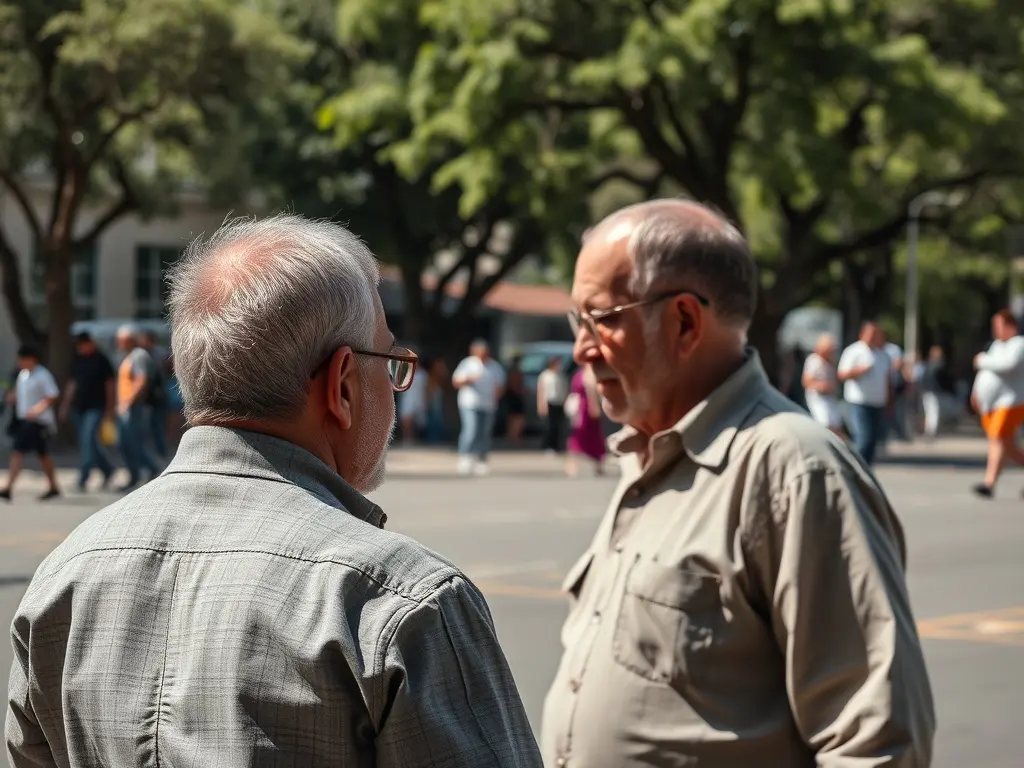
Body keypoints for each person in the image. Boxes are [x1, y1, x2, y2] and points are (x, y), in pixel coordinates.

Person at [5, 214, 540, 767]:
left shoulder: (65, 573)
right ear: (342, 386)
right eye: (389, 364)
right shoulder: (397, 600)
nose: (396, 387)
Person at [542, 200, 934, 767]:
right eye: (577, 322)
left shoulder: (794, 469)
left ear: (683, 321)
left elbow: (875, 743)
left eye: (602, 318)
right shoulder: (649, 456)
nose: (582, 347)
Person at [970, 309, 1024, 498]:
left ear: (1011, 326)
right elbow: (986, 374)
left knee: (998, 439)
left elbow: (1008, 365)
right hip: (991, 404)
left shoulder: (1019, 344)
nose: (997, 330)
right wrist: (976, 392)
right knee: (1008, 447)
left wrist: (983, 360)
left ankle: (989, 483)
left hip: (1012, 401)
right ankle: (989, 482)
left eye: (1000, 326)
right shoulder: (996, 346)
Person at [0, 345, 61, 502]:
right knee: (43, 454)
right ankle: (53, 486)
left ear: (31, 358)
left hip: (37, 421)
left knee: (17, 451)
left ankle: (8, 487)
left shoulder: (42, 374)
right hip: (24, 419)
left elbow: (52, 395)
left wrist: (37, 410)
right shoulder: (23, 375)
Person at [59, 331, 117, 491]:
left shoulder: (101, 360)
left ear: (89, 343)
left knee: (87, 440)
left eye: (82, 344)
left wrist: (110, 408)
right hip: (79, 408)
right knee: (89, 442)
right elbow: (72, 384)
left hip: (96, 407)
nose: (80, 348)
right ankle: (108, 470)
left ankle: (84, 476)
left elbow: (110, 386)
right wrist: (65, 405)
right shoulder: (77, 359)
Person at [837, 321, 892, 465]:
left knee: (873, 440)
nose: (874, 337)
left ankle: (867, 469)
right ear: (863, 334)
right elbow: (842, 374)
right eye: (871, 334)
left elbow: (887, 379)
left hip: (877, 402)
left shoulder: (883, 354)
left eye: (877, 334)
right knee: (864, 437)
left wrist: (888, 400)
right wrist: (858, 371)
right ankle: (855, 466)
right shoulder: (853, 351)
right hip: (859, 402)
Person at [114, 325, 161, 491]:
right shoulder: (127, 356)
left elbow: (142, 380)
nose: (118, 343)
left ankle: (151, 470)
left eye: (121, 340)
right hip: (125, 408)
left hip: (135, 408)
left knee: (133, 443)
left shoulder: (139, 355)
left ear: (130, 340)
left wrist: (128, 402)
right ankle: (135, 475)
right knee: (125, 443)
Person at [452, 339, 506, 475]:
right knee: (471, 429)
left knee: (485, 432)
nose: (482, 354)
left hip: (488, 405)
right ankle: (465, 457)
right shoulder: (467, 364)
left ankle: (482, 459)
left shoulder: (494, 366)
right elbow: (456, 381)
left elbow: (501, 385)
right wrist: (469, 379)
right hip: (469, 403)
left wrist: (497, 394)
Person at [564, 365, 605, 476]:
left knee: (584, 435)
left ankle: (576, 464)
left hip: (584, 409)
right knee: (583, 435)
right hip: (583, 409)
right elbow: (591, 392)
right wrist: (594, 406)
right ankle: (575, 464)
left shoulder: (581, 374)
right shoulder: (587, 374)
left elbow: (591, 392)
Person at [801, 332, 844, 436]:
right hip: (817, 397)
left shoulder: (831, 361)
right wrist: (822, 386)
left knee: (836, 424)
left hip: (830, 398)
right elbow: (806, 382)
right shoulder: (814, 360)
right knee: (825, 423)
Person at [140, 329, 171, 458]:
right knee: (154, 426)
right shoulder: (159, 353)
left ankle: (160, 451)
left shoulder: (153, 354)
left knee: (155, 426)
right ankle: (159, 450)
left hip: (156, 396)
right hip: (155, 396)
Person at [919, 345, 956, 439]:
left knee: (929, 412)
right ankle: (931, 431)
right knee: (933, 412)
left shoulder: (927, 365)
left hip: (927, 390)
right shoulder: (938, 366)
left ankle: (929, 430)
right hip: (934, 391)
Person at [537, 355, 569, 453]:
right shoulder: (545, 375)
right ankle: (547, 445)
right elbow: (541, 390)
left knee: (558, 426)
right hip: (549, 402)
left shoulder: (561, 375)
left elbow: (564, 389)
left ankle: (556, 445)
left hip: (559, 402)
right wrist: (541, 404)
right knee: (549, 426)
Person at [503, 355, 526, 443]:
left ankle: (512, 435)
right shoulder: (515, 371)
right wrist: (520, 391)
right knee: (517, 416)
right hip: (515, 394)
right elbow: (515, 382)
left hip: (513, 394)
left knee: (513, 416)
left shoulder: (512, 370)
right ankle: (513, 435)